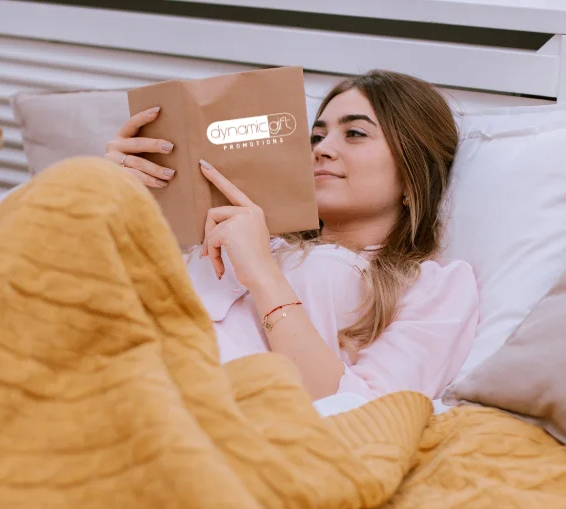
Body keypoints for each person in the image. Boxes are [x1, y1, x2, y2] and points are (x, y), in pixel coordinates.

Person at [105, 70, 479, 402]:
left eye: (355, 133)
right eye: (316, 137)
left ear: (415, 175)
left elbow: (363, 413)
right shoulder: (232, 232)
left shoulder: (434, 285)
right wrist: (112, 195)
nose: (321, 150)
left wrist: (262, 274)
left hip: (195, 411)